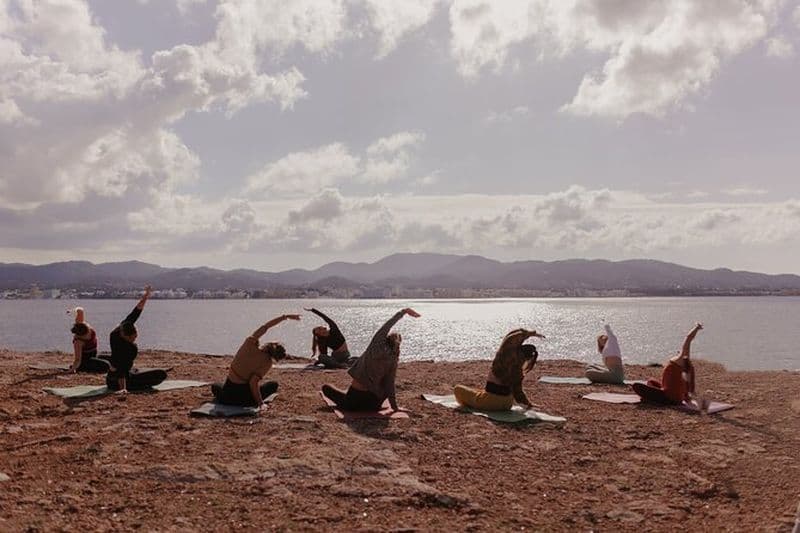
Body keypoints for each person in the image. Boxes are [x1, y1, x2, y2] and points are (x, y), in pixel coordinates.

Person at [321, 308, 420, 412]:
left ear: (386, 339)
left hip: (352, 402)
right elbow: (389, 384)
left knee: (326, 388)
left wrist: (403, 312)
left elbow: (387, 325)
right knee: (387, 383)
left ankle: (347, 396)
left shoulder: (376, 344)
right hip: (373, 405)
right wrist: (395, 408)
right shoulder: (393, 359)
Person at [210, 314, 300, 407]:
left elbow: (266, 327)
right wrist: (260, 403)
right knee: (273, 385)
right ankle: (250, 400)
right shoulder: (267, 363)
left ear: (269, 344)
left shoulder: (249, 344)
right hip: (246, 400)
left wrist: (285, 317)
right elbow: (253, 383)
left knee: (215, 386)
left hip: (227, 397)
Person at [453, 329, 544, 411]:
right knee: (478, 391)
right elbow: (518, 393)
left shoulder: (503, 358)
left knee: (458, 388)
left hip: (490, 403)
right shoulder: (518, 371)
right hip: (507, 404)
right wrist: (528, 405)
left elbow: (509, 339)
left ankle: (476, 403)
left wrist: (530, 333)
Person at [106, 286, 167, 393]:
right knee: (161, 374)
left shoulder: (117, 332)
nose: (135, 338)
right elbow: (121, 369)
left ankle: (132, 380)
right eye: (133, 337)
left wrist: (145, 297)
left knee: (136, 370)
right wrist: (123, 389)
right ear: (126, 336)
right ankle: (130, 385)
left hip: (110, 379)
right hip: (119, 382)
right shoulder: (130, 348)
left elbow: (135, 313)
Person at [632, 323, 703, 404]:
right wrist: (686, 397)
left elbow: (688, 339)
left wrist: (696, 328)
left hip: (669, 397)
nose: (679, 351)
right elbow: (688, 387)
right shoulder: (688, 367)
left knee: (636, 386)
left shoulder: (682, 359)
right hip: (672, 394)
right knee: (651, 381)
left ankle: (655, 399)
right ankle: (654, 397)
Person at [69, 307, 110, 373]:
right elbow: (78, 359)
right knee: (106, 366)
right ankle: (82, 368)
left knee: (114, 358)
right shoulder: (78, 342)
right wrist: (72, 369)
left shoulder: (84, 326)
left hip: (94, 356)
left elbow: (80, 310)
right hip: (85, 361)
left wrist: (72, 311)